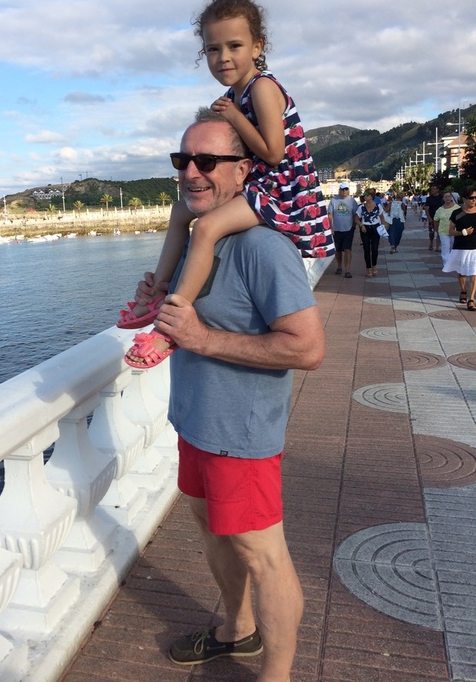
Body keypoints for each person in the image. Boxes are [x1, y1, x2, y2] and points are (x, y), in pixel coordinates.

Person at [134, 108, 325, 681]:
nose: (192, 172)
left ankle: (277, 675)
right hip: (196, 422)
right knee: (215, 533)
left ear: (245, 171)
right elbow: (184, 313)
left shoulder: (264, 249)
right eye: (183, 160)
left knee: (264, 556)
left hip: (241, 437)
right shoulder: (198, 238)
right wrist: (157, 297)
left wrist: (199, 337)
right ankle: (235, 631)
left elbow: (307, 349)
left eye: (209, 161)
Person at [118, 0, 333, 369]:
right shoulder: (238, 93)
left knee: (206, 228)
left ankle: (171, 322)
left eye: (235, 45)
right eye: (213, 49)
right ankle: (158, 292)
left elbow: (272, 154)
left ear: (257, 46)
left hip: (280, 190)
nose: (224, 58)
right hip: (262, 184)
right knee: (181, 211)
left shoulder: (262, 88)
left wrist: (234, 117)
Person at [442, 185, 476, 310]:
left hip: (475, 248)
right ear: (464, 199)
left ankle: (471, 299)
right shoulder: (458, 213)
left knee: (474, 273)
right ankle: (463, 291)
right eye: (471, 198)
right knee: (461, 272)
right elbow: (450, 231)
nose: (474, 200)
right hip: (461, 246)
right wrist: (463, 232)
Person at [327, 182, 358, 277]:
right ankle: (339, 266)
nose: (344, 191)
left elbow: (355, 215)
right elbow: (330, 214)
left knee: (348, 249)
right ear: (339, 190)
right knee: (338, 250)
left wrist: (354, 226)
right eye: (342, 189)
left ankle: (347, 270)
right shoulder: (333, 200)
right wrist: (330, 227)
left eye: (346, 189)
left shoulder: (352, 201)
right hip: (337, 229)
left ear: (348, 190)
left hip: (348, 229)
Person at [355, 190, 387, 276]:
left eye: (367, 195)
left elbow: (382, 217)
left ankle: (374, 266)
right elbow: (356, 218)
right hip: (365, 228)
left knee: (375, 249)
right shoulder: (361, 207)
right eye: (364, 195)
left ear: (371, 196)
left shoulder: (378, 206)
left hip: (375, 228)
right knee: (366, 249)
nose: (365, 196)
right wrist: (361, 225)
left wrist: (382, 226)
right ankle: (368, 268)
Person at [433, 190, 460, 270]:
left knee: (453, 247)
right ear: (443, 199)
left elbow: (461, 219)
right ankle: (446, 264)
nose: (448, 198)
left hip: (454, 231)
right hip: (443, 231)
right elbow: (435, 220)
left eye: (449, 196)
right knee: (446, 246)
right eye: (446, 197)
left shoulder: (457, 208)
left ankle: (453, 263)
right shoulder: (440, 209)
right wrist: (436, 229)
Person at [424, 185, 443, 251]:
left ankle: (437, 247)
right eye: (432, 189)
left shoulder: (441, 198)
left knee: (439, 232)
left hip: (441, 218)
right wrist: (429, 217)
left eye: (434, 189)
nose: (432, 190)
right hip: (432, 217)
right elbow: (426, 208)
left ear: (437, 190)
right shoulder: (429, 198)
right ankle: (431, 242)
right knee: (432, 232)